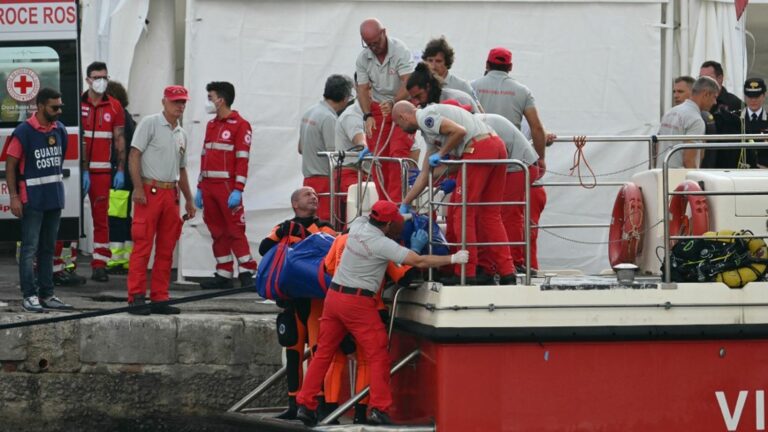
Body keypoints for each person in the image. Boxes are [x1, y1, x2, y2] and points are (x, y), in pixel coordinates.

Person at [295, 200, 469, 426]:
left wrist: (406, 213)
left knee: (323, 353)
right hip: (358, 302)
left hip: (334, 297)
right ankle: (379, 407)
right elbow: (418, 261)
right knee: (377, 355)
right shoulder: (381, 244)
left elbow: (377, 221)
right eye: (395, 219)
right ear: (387, 224)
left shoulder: (358, 225)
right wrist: (453, 258)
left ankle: (305, 404)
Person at [394, 101, 516, 285]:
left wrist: (442, 153)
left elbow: (459, 131)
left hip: (477, 149)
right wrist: (406, 201)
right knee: (490, 214)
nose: (401, 129)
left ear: (403, 116)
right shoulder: (430, 133)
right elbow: (426, 174)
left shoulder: (425, 117)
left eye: (398, 124)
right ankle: (507, 272)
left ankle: (466, 272)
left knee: (462, 212)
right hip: (495, 145)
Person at [258, 186, 337, 420]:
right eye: (307, 195)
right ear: (295, 203)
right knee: (292, 352)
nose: (314, 197)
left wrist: (304, 231)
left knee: (317, 352)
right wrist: (283, 232)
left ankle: (318, 404)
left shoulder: (325, 228)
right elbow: (264, 249)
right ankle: (293, 403)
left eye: (315, 195)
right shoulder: (283, 227)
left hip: (314, 302)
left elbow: (329, 248)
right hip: (291, 302)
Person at [125, 85, 196, 315]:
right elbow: (134, 154)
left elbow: (181, 169)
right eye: (176, 102)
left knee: (166, 248)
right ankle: (136, 296)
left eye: (183, 102)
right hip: (149, 190)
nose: (180, 106)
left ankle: (159, 296)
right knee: (143, 245)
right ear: (164, 101)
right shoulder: (150, 123)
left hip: (170, 193)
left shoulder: (181, 133)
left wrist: (189, 199)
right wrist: (137, 187)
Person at [6, 88, 73, 312]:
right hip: (32, 198)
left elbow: (59, 161)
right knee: (29, 249)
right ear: (41, 106)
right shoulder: (24, 131)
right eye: (55, 107)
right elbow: (11, 165)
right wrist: (14, 197)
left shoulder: (60, 130)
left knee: (48, 249)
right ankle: (29, 295)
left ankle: (47, 294)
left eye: (60, 106)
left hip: (53, 197)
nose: (59, 111)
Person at [195, 81, 258, 290]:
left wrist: (238, 189)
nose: (209, 102)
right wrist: (199, 186)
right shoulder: (211, 125)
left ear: (221, 100)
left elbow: (242, 159)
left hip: (227, 187)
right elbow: (204, 155)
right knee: (216, 231)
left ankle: (247, 272)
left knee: (235, 230)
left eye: (210, 97)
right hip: (209, 186)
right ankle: (224, 272)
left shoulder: (241, 125)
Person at [356, 18, 415, 202]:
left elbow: (409, 83)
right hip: (378, 108)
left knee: (398, 154)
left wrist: (393, 102)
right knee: (378, 158)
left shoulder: (400, 50)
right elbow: (362, 89)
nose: (373, 47)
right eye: (369, 44)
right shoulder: (363, 58)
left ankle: (397, 204)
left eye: (376, 42)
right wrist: (367, 115)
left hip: (401, 104)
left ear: (384, 33)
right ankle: (383, 204)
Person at [81, 61, 126, 282]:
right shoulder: (77, 103)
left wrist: (121, 169)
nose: (101, 81)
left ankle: (100, 264)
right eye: (97, 77)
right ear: (88, 79)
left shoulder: (115, 106)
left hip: (102, 172)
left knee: (101, 219)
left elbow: (119, 139)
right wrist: (81, 169)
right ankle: (61, 264)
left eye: (105, 77)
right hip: (78, 172)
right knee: (69, 217)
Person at [471, 47, 546, 162]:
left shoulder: (471, 87)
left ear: (487, 65)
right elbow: (537, 128)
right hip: (511, 157)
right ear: (510, 67)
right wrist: (541, 159)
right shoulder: (523, 91)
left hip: (479, 154)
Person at [298, 75, 354, 223]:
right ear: (344, 98)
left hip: (308, 180)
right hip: (324, 182)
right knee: (326, 226)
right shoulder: (329, 118)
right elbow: (334, 156)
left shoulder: (309, 112)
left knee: (311, 224)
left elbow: (300, 148)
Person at [105, 80, 136, 274]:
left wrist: (119, 171)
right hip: (127, 174)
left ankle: (116, 259)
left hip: (120, 173)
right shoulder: (128, 117)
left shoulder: (119, 118)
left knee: (116, 217)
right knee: (124, 218)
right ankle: (125, 258)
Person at [657, 76, 719, 168]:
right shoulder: (696, 120)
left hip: (661, 174)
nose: (715, 102)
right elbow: (689, 160)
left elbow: (657, 147)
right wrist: (695, 181)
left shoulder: (670, 112)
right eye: (714, 97)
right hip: (679, 178)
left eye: (680, 91)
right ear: (706, 94)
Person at [699, 60, 744, 168]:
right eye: (701, 78)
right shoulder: (697, 103)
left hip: (725, 165)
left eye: (708, 78)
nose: (703, 82)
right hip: (703, 161)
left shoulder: (735, 104)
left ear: (720, 79)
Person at [422, 36, 480, 104]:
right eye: (430, 60)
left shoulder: (462, 86)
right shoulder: (421, 84)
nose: (433, 66)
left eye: (438, 61)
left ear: (447, 63)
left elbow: (478, 111)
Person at [407, 62, 481, 113]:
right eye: (413, 98)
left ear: (428, 87)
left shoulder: (458, 99)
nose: (416, 102)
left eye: (418, 96)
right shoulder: (423, 108)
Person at [742, 77, 768, 168]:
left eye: (757, 96)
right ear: (745, 96)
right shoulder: (736, 119)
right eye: (750, 96)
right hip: (740, 171)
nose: (753, 100)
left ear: (764, 95)